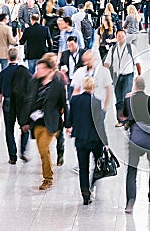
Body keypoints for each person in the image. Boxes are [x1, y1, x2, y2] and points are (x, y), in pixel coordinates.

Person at [21, 56, 69, 190]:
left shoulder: (58, 83)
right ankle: (48, 176)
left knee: (43, 148)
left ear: (48, 70)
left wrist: (68, 123)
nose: (38, 71)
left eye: (41, 69)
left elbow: (64, 104)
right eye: (37, 69)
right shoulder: (35, 82)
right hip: (36, 122)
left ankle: (48, 179)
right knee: (43, 150)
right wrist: (24, 121)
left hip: (51, 121)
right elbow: (28, 100)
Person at [124, 76, 150, 213]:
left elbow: (123, 116)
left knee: (132, 170)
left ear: (135, 86)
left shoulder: (129, 100)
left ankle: (130, 201)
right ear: (144, 86)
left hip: (135, 138)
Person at [67, 77, 107, 205]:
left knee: (83, 167)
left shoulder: (75, 100)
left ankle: (85, 193)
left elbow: (69, 120)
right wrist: (105, 142)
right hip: (95, 140)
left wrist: (70, 127)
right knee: (98, 165)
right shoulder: (96, 102)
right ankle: (92, 185)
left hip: (80, 139)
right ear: (93, 87)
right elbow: (100, 124)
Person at [0, 48, 31, 164]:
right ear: (18, 58)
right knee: (24, 126)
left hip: (8, 102)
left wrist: (0, 105)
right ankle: (23, 150)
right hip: (21, 103)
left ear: (7, 58)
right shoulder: (24, 71)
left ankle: (12, 156)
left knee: (9, 130)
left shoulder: (3, 73)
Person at [104, 30, 141, 127]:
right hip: (116, 76)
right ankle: (121, 120)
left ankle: (129, 119)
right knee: (118, 99)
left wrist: (139, 75)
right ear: (116, 37)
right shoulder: (113, 49)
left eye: (122, 36)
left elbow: (137, 62)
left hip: (128, 75)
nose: (120, 38)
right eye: (118, 36)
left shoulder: (131, 48)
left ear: (125, 37)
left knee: (126, 97)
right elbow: (107, 62)